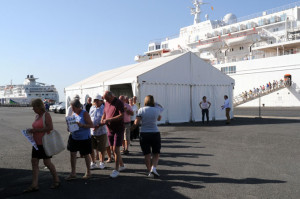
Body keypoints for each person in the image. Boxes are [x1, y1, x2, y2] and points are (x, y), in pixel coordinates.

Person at [23, 99, 60, 193]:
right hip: (36, 143)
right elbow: (37, 127)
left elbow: (50, 127)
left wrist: (36, 131)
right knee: (34, 162)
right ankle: (34, 185)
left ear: (39, 106)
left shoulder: (46, 115)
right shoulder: (37, 116)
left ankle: (56, 180)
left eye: (34, 107)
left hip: (44, 143)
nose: (33, 109)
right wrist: (31, 130)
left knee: (47, 163)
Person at [131, 95, 162, 178]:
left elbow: (136, 123)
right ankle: (153, 168)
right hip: (155, 132)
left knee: (147, 154)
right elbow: (159, 119)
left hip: (144, 133)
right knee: (156, 153)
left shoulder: (141, 110)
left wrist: (131, 128)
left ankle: (149, 171)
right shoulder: (157, 110)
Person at [65, 99, 94, 180]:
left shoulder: (85, 113)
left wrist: (82, 125)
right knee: (72, 154)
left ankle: (88, 172)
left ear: (78, 107)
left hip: (84, 138)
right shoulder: (74, 113)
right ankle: (73, 172)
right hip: (74, 137)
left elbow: (91, 125)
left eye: (73, 107)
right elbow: (73, 125)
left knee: (86, 154)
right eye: (72, 107)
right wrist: (69, 128)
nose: (72, 109)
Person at [101, 91, 126, 178]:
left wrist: (109, 120)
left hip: (118, 129)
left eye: (107, 99)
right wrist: (103, 119)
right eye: (105, 99)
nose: (106, 100)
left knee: (115, 149)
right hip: (110, 129)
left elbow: (122, 115)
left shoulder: (119, 102)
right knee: (112, 149)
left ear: (111, 96)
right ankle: (122, 165)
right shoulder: (106, 103)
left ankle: (116, 169)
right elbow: (104, 113)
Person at [89, 94, 107, 170]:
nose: (95, 102)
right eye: (95, 100)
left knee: (101, 149)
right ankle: (93, 162)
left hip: (101, 132)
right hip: (92, 132)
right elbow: (89, 117)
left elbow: (106, 120)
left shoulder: (104, 109)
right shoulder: (92, 108)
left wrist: (98, 125)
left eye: (97, 100)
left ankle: (101, 162)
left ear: (101, 101)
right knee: (91, 148)